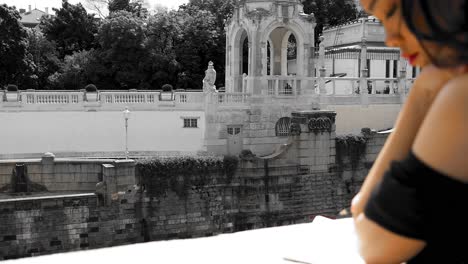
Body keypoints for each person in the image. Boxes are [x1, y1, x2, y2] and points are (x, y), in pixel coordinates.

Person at [351, 0, 468, 263]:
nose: (391, 39)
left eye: (393, 13)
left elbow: (374, 243)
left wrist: (422, 93)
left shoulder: (462, 97)